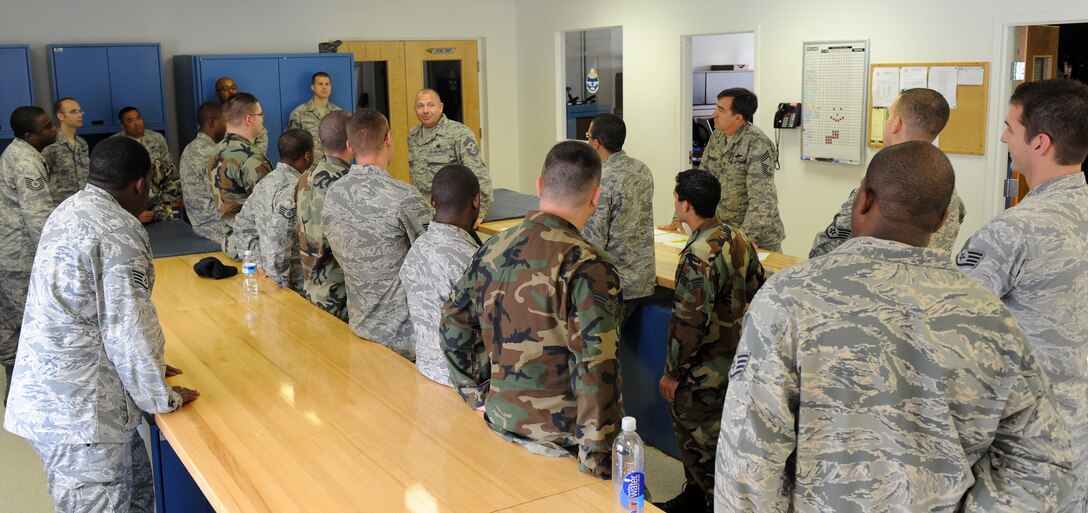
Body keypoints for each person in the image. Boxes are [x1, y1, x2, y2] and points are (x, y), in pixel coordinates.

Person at [715, 141, 1075, 512]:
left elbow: (749, 455)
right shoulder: (990, 316)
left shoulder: (788, 299)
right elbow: (1045, 466)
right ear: (941, 220)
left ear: (863, 201)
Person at [3, 137, 200, 512]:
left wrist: (151, 367)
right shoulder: (117, 231)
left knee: (139, 495)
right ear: (140, 183)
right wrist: (160, 395)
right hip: (80, 417)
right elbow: (128, 325)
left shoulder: (70, 208)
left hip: (63, 395)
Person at [441, 140, 624, 479]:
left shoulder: (492, 247)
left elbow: (454, 322)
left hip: (499, 424)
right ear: (596, 197)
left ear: (539, 185)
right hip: (562, 445)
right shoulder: (588, 266)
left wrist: (477, 393)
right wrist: (599, 464)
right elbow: (597, 370)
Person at [957, 79, 1088, 512]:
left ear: (1040, 142)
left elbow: (951, 326)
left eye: (1010, 128)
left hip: (1027, 452)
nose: (1003, 138)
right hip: (1079, 440)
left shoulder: (1012, 231)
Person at [654, 169, 764, 513]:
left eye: (676, 198)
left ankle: (715, 502)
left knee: (699, 441)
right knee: (718, 437)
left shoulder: (698, 256)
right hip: (735, 361)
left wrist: (672, 373)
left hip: (702, 370)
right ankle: (695, 496)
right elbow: (759, 288)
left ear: (685, 205)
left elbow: (689, 323)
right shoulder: (737, 237)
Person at [809, 88, 966, 258]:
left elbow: (826, 251)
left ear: (896, 123)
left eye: (889, 116)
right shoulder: (947, 190)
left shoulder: (882, 181)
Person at [325, 109, 431, 357]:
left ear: (349, 146)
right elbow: (434, 258)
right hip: (406, 339)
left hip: (360, 325)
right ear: (388, 139)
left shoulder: (334, 194)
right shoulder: (404, 197)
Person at [658, 88, 784, 251]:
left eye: (721, 110)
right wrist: (679, 217)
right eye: (716, 107)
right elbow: (699, 182)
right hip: (721, 233)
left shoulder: (757, 144)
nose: (714, 114)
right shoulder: (717, 136)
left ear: (738, 117)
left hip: (755, 239)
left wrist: (743, 238)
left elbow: (763, 200)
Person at [400, 164, 481, 384]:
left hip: (425, 370)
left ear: (432, 201)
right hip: (465, 382)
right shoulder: (473, 260)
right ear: (476, 200)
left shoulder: (416, 249)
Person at [0, 106, 56, 402]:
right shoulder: (26, 161)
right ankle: (27, 399)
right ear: (30, 135)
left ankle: (15, 398)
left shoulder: (18, 151)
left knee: (13, 329)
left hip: (10, 254)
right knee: (32, 330)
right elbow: (39, 217)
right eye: (47, 127)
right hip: (21, 259)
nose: (54, 129)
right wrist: (57, 258)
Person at [582, 113, 656, 320]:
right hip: (642, 277)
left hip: (613, 282)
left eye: (588, 136)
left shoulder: (602, 179)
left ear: (596, 143)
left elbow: (595, 240)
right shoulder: (642, 169)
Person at [229, 129, 314, 291]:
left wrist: (258, 261)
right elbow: (280, 236)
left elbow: (242, 225)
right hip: (292, 284)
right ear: (307, 155)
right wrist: (279, 279)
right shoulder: (295, 188)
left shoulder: (266, 181)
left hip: (270, 276)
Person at [297, 111, 354, 319]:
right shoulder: (347, 184)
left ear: (320, 142)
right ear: (351, 143)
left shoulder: (304, 178)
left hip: (312, 289)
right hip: (340, 298)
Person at [407, 88, 493, 224]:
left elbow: (479, 174)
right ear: (415, 109)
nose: (425, 111)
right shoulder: (413, 135)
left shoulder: (460, 134)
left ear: (441, 107)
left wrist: (480, 212)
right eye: (420, 106)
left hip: (450, 215)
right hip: (421, 214)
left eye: (430, 105)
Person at [206, 92, 273, 258]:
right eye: (260, 115)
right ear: (249, 119)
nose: (262, 120)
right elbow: (271, 208)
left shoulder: (215, 151)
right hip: (253, 248)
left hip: (230, 242)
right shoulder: (251, 158)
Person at [179, 101, 227, 241]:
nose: (228, 127)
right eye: (225, 121)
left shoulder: (190, 147)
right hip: (216, 229)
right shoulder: (210, 153)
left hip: (202, 224)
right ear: (212, 123)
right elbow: (224, 196)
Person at [286, 71, 343, 162]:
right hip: (309, 166)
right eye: (320, 84)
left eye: (327, 84)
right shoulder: (299, 113)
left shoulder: (338, 113)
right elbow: (291, 144)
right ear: (313, 87)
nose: (324, 87)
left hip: (333, 166)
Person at [41, 97, 89, 202]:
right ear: (61, 116)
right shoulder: (50, 145)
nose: (80, 115)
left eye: (80, 111)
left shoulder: (82, 144)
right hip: (60, 204)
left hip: (82, 202)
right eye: (74, 112)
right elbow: (42, 177)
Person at [215, 76, 268, 155]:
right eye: (225, 88)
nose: (231, 91)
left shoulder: (253, 119)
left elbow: (259, 154)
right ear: (217, 93)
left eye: (233, 87)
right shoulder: (213, 120)